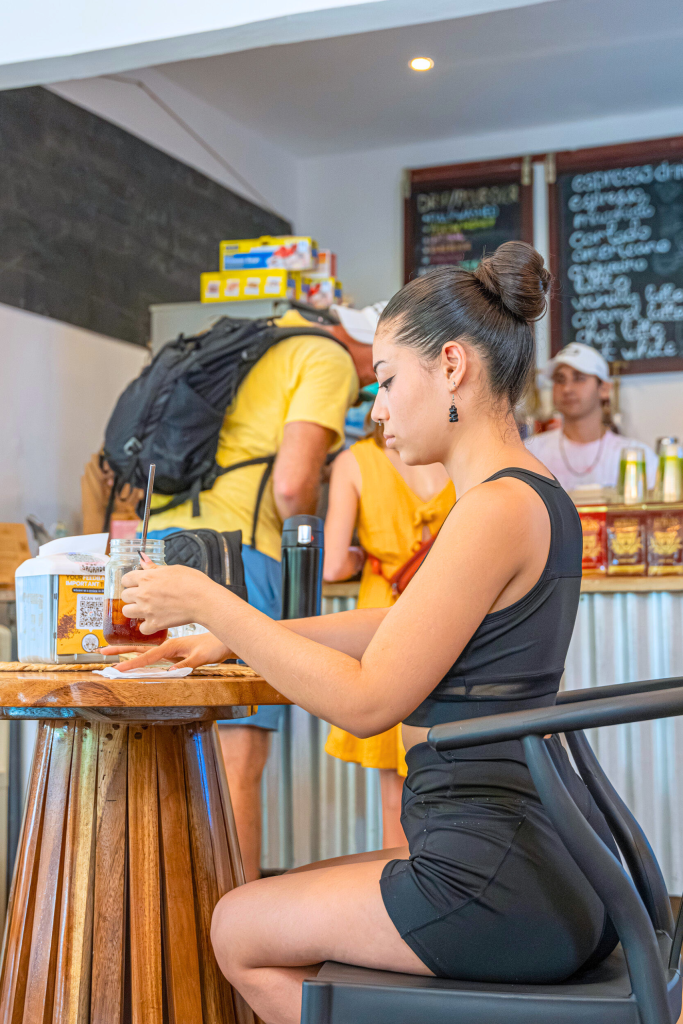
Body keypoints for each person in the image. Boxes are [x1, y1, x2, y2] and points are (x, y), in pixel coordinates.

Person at [103, 242, 620, 1024]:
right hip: (534, 861)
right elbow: (401, 623)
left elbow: (370, 701)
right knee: (276, 905)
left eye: (383, 380)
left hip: (494, 877)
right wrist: (238, 638)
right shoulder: (526, 495)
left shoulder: (493, 509)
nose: (374, 409)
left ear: (450, 367)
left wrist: (215, 604)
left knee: (235, 926)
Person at [145, 305, 380, 881]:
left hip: (162, 549)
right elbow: (293, 483)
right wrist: (309, 532)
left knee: (166, 753)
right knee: (236, 759)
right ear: (363, 343)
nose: (374, 389)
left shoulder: (253, 344)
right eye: (382, 368)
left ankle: (173, 933)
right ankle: (231, 945)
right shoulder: (324, 356)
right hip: (237, 556)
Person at [323, 423, 454, 848]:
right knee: (452, 770)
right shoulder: (452, 453)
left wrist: (362, 556)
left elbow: (331, 565)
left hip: (386, 613)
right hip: (449, 610)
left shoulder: (354, 462)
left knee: (394, 796)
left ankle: (401, 885)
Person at [526, 342, 657, 492]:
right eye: (560, 379)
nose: (567, 389)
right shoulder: (530, 453)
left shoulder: (638, 455)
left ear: (604, 388)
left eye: (579, 378)